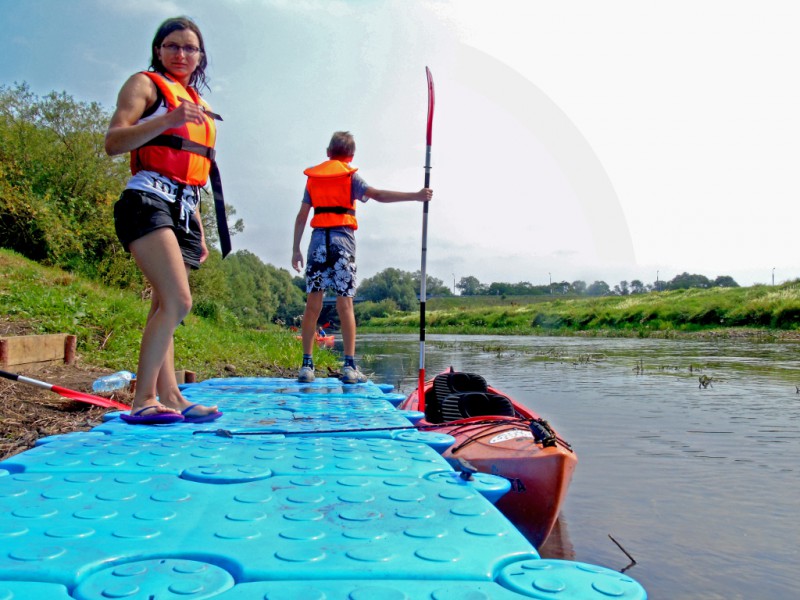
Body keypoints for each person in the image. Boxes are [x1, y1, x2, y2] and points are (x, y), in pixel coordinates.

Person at [105, 16, 224, 424]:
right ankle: (143, 399)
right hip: (146, 199)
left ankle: (171, 395)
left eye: (190, 48)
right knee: (178, 300)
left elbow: (191, 172)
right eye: (172, 45)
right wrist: (167, 120)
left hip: (183, 210)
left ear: (200, 56)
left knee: (163, 304)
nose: (181, 54)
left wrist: (199, 229)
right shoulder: (145, 86)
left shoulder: (197, 102)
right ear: (158, 50)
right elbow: (113, 141)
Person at [292, 131, 432, 384]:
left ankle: (306, 366)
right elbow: (378, 195)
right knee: (345, 304)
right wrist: (416, 195)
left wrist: (296, 249)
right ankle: (349, 366)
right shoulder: (350, 177)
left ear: (328, 152)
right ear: (351, 156)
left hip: (317, 244)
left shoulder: (313, 179)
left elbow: (302, 216)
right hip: (342, 244)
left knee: (313, 305)